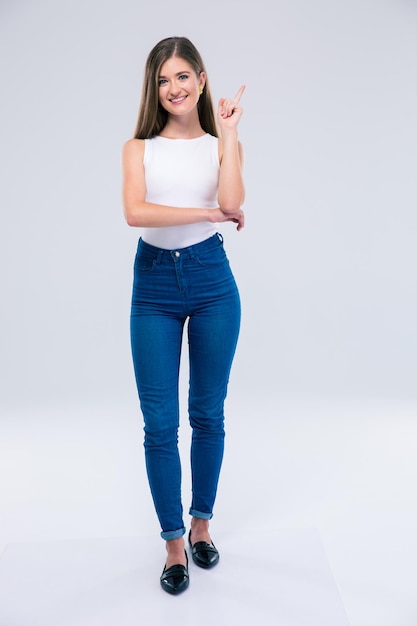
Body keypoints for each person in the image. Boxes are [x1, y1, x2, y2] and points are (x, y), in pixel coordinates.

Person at [122, 36, 245, 595]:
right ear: (156, 88)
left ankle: (201, 524)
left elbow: (235, 196)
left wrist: (233, 134)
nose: (173, 88)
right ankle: (173, 541)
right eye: (162, 80)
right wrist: (208, 213)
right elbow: (135, 211)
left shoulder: (218, 142)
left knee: (208, 413)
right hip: (153, 285)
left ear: (199, 78)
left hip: (211, 280)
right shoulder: (137, 147)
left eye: (181, 76)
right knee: (159, 425)